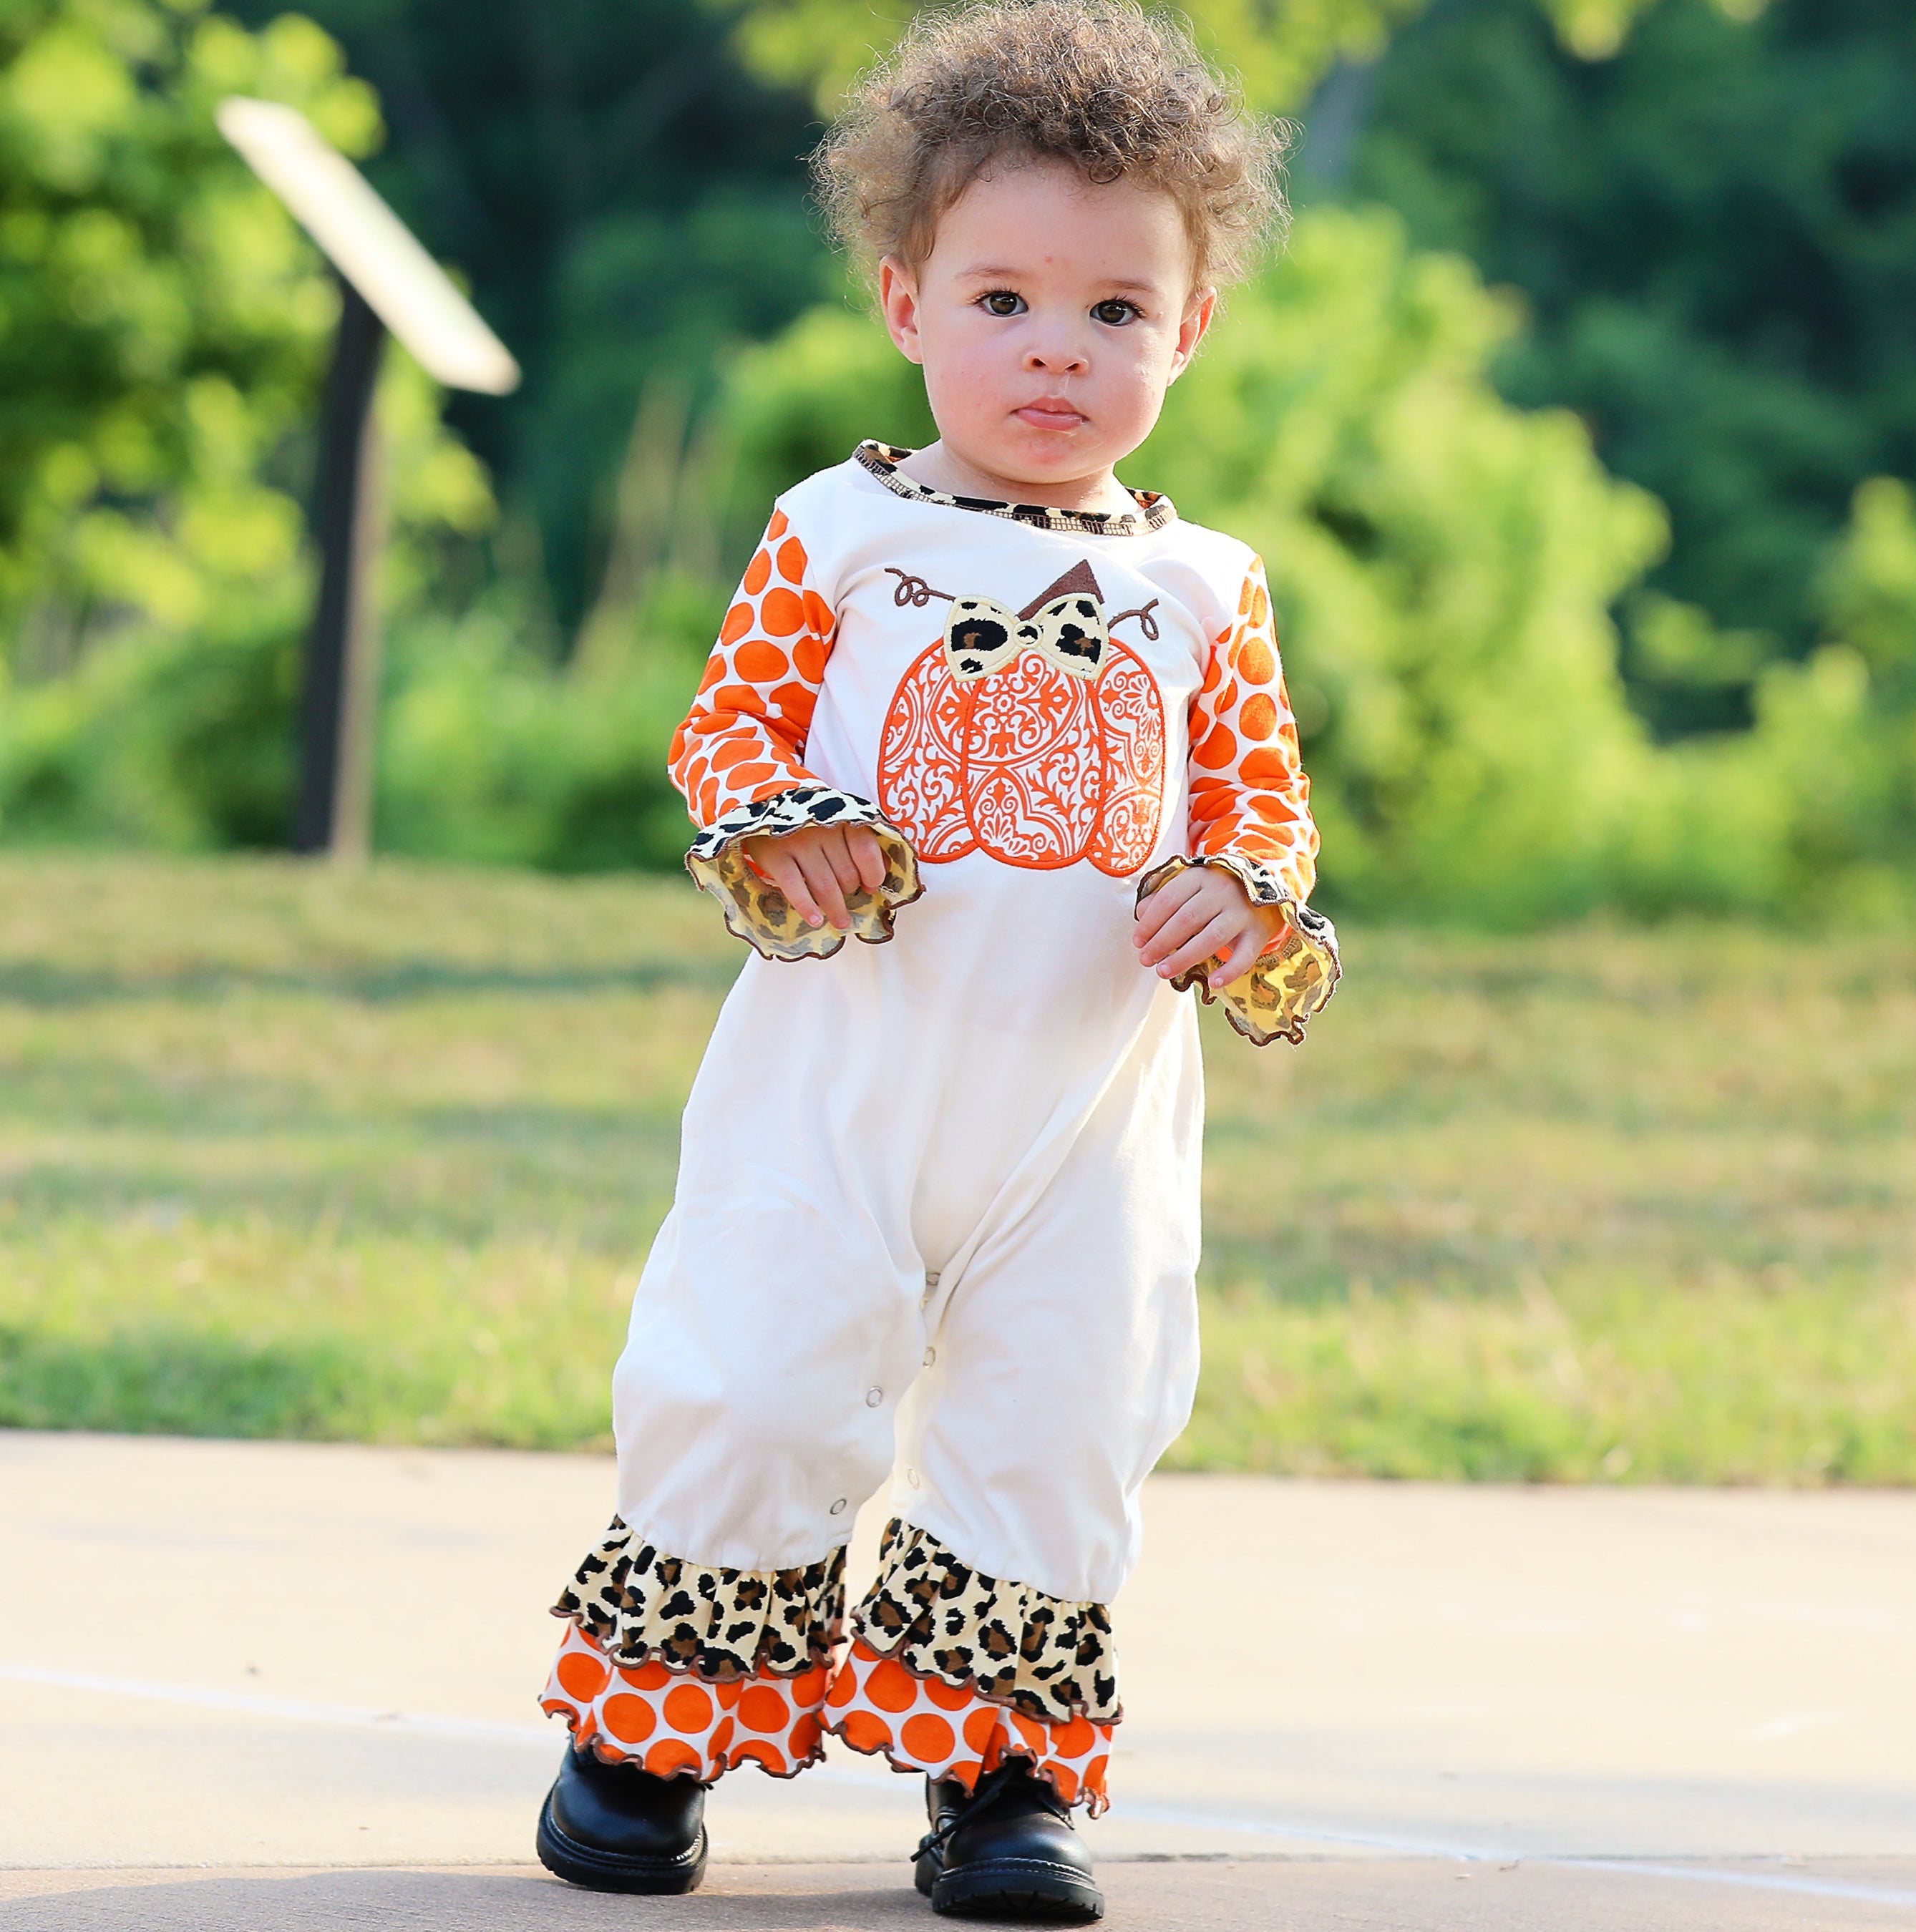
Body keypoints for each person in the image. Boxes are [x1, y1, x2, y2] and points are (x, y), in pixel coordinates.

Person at [531, 0, 1338, 1917]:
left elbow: (1265, 813)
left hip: (1085, 1108)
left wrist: (1244, 905)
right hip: (844, 1076)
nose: (1055, 346)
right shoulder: (838, 535)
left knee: (1061, 1412)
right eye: (1002, 299)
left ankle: (996, 1782)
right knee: (750, 1378)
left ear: (1188, 329)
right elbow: (725, 735)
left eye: (1114, 311)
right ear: (907, 304)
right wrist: (768, 828)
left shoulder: (1200, 591)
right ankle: (644, 1729)